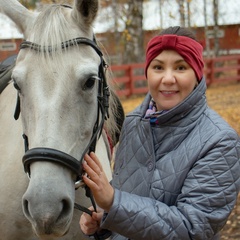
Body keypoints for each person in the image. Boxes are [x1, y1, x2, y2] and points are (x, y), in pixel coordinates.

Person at [79, 26, 240, 240]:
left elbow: (192, 229)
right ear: (148, 72)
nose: (167, 78)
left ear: (197, 75)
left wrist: (114, 203)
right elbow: (128, 194)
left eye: (181, 68)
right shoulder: (134, 123)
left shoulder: (220, 142)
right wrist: (105, 218)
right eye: (158, 67)